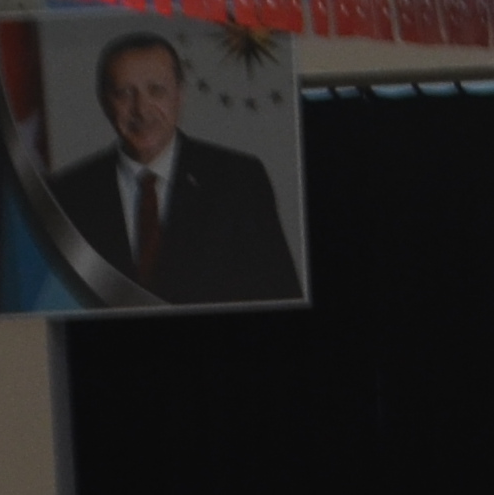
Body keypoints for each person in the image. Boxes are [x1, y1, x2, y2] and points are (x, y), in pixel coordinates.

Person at [47, 27, 303, 305]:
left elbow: (280, 296)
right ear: (104, 101)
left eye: (156, 91)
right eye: (124, 93)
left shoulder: (239, 180)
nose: (141, 109)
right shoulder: (67, 194)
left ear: (179, 94)